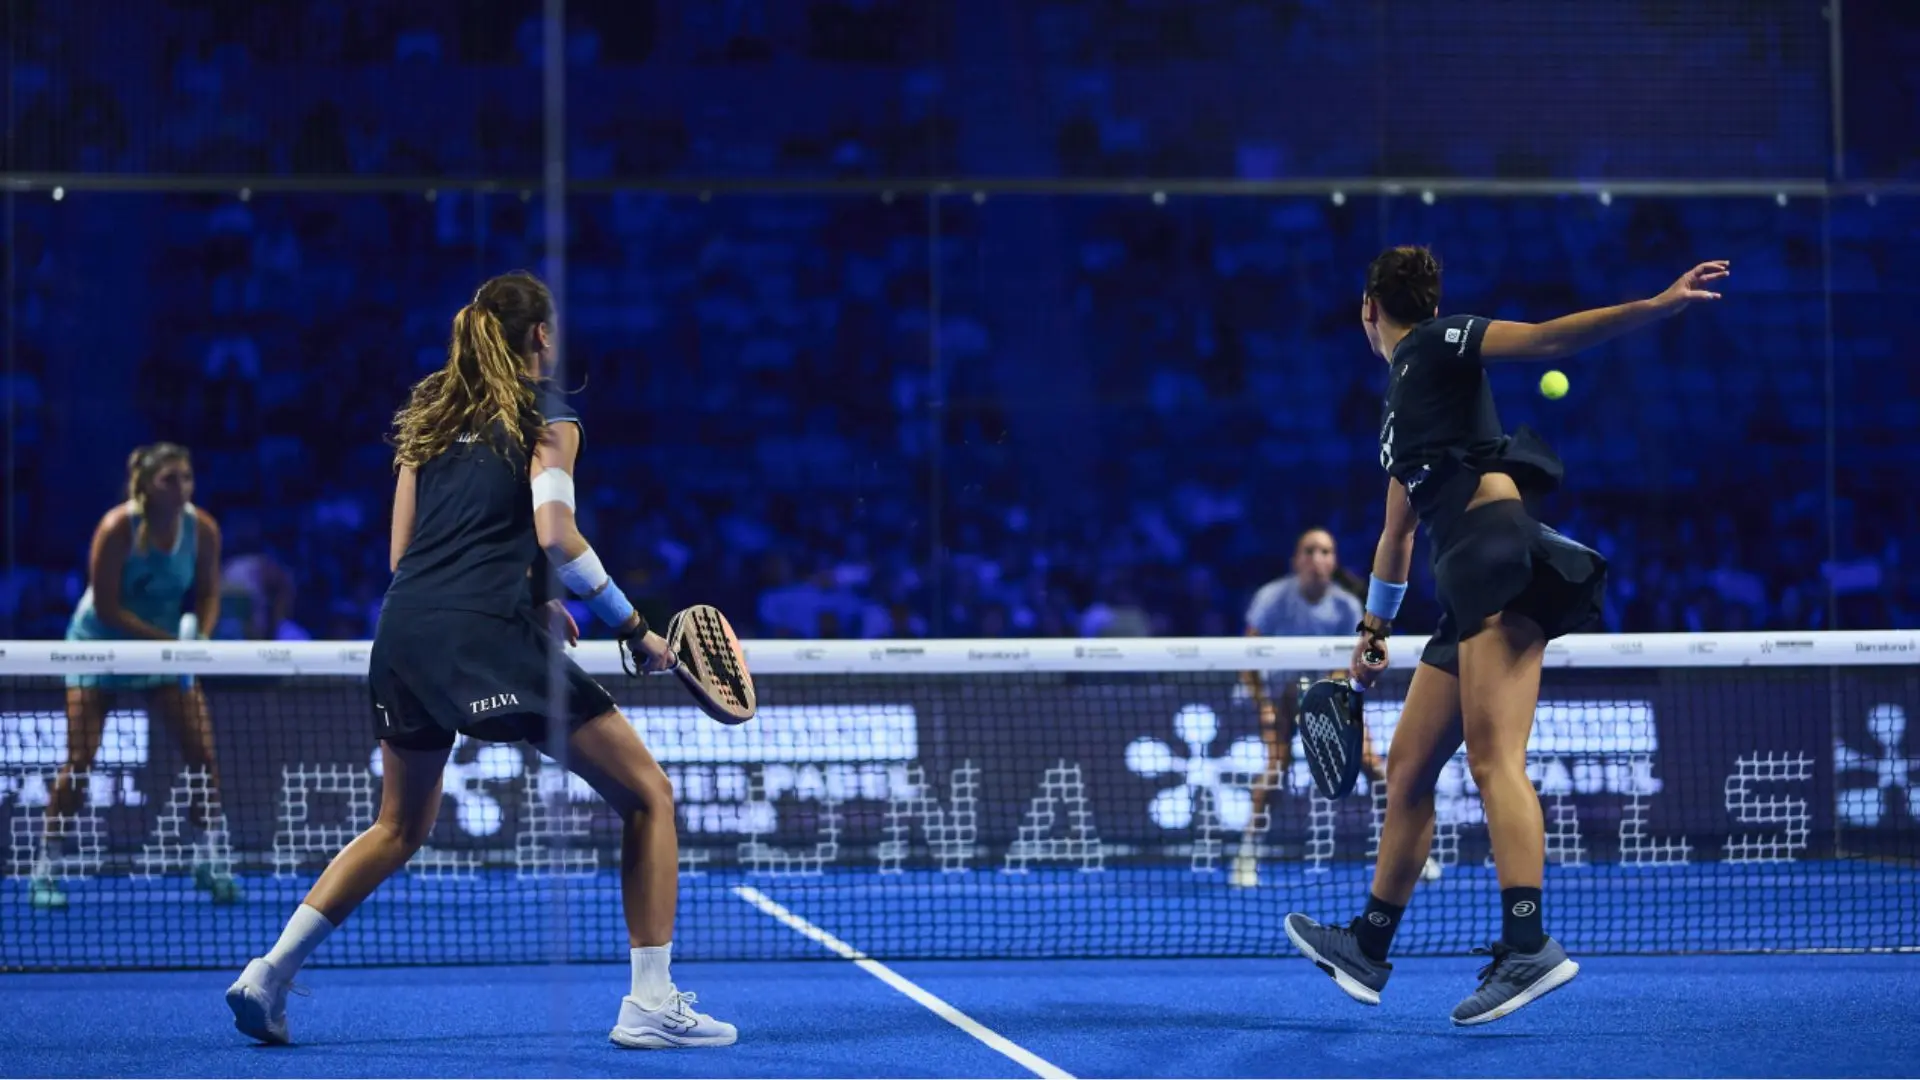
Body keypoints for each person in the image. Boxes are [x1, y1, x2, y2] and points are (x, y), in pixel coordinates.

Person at [224, 271, 736, 1050]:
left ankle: (268, 974)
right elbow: (557, 534)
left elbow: (408, 554)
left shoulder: (429, 421)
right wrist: (633, 628)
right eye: (553, 329)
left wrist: (533, 600)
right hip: (483, 634)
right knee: (648, 797)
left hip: (404, 632)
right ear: (540, 337)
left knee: (398, 825)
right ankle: (651, 1004)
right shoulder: (547, 415)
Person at [1283, 247, 1727, 1025]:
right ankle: (1368, 945)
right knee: (1413, 770)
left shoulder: (1438, 342)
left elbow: (1550, 340)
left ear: (1367, 311)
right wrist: (1373, 634)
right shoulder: (1400, 413)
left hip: (1496, 557)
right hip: (1460, 584)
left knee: (1495, 761)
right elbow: (1397, 537)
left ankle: (1529, 946)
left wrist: (1656, 306)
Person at [33, 443, 235, 909]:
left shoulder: (202, 529)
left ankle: (209, 861)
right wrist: (171, 644)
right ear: (144, 485)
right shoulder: (116, 529)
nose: (182, 488)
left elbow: (207, 593)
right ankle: (45, 868)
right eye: (170, 480)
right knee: (79, 761)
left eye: (187, 478)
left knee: (203, 759)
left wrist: (197, 639)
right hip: (98, 649)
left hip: (165, 654)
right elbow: (107, 608)